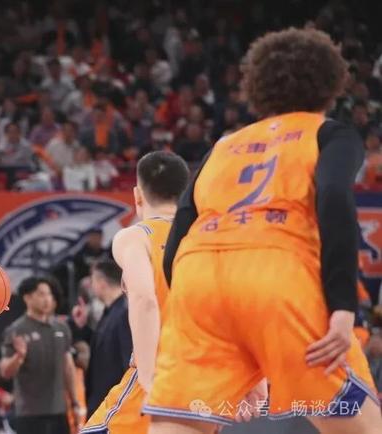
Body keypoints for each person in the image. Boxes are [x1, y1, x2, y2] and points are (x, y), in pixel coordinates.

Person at [145, 28, 381, 434]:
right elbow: (333, 198)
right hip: (277, 277)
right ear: (330, 84)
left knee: (178, 427)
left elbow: (179, 234)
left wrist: (192, 316)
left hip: (196, 283)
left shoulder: (222, 146)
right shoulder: (328, 133)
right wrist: (343, 307)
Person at [80, 151, 189, 434]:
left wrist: (149, 378)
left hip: (159, 372)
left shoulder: (136, 236)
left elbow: (144, 299)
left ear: (137, 195)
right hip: (205, 376)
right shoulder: (205, 235)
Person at [0, 276, 80, 434]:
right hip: (29, 414)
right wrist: (19, 357)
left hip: (59, 412)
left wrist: (75, 402)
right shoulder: (16, 330)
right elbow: (5, 372)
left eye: (49, 294)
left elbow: (68, 367)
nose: (47, 299)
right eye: (41, 294)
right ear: (27, 298)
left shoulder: (62, 328)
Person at [80, 260, 132, 417]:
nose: (91, 286)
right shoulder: (111, 312)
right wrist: (80, 327)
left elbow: (128, 363)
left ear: (101, 283)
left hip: (115, 408)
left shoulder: (123, 313)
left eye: (92, 280)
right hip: (104, 404)